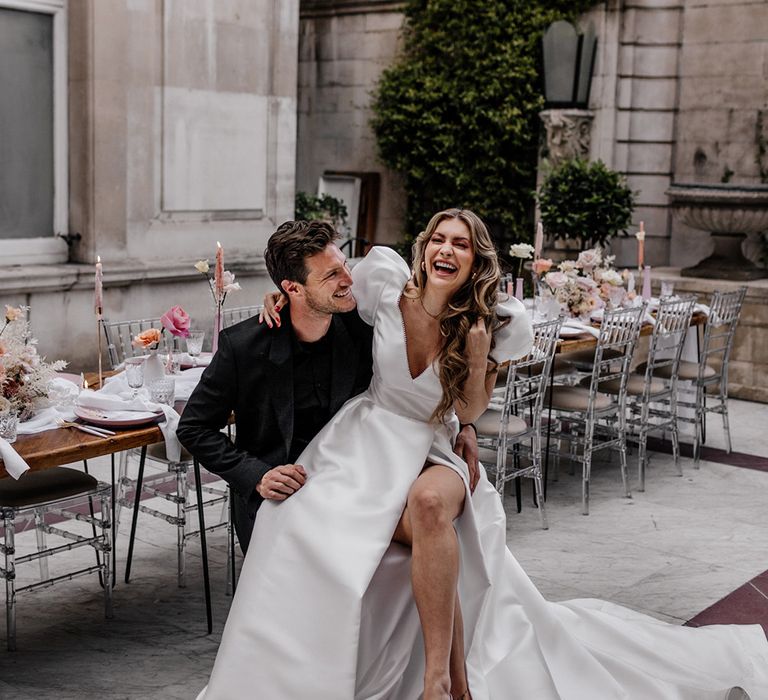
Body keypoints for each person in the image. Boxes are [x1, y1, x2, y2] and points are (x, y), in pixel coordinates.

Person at [196, 209, 768, 700]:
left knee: (428, 509)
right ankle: (381, 669)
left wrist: (471, 373)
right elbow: (324, 300)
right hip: (360, 445)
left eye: (462, 244)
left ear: (475, 260)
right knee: (318, 530)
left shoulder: (488, 323)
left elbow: (469, 409)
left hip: (433, 444)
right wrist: (279, 295)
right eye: (439, 239)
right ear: (423, 249)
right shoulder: (381, 293)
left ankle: (441, 681)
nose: (448, 249)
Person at [177, 219, 479, 554]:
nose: (350, 280)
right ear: (292, 289)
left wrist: (466, 424)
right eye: (331, 275)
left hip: (356, 481)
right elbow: (193, 428)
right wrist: (257, 475)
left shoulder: (364, 326)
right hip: (285, 493)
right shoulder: (244, 346)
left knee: (426, 532)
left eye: (344, 266)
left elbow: (431, 366)